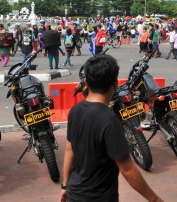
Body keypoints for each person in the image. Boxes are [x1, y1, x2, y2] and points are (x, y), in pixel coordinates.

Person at [61, 54, 162, 202]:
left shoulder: (75, 110)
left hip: (74, 193)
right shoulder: (109, 120)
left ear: (86, 82)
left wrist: (65, 186)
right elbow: (127, 169)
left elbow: (69, 149)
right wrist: (154, 199)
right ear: (115, 83)